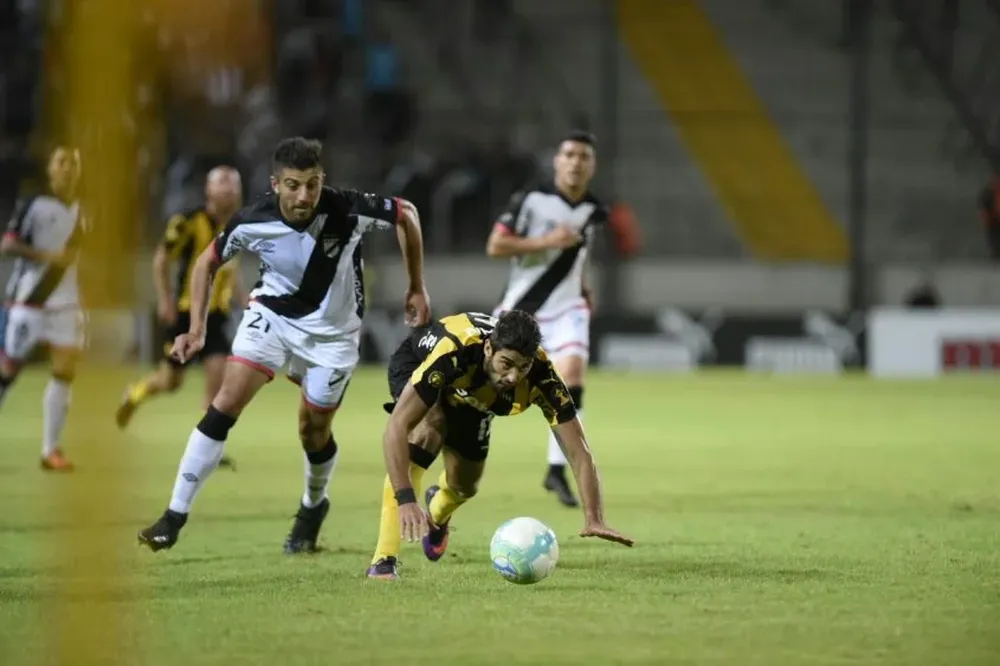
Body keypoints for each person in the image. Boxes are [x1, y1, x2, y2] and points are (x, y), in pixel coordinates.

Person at [137, 137, 430, 554]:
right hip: (271, 317)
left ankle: (313, 504)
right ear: (276, 184)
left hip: (333, 336)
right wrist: (197, 329)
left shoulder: (348, 208)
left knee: (313, 432)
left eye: (312, 184)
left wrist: (416, 286)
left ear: (322, 180)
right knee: (225, 403)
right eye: (293, 185)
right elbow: (206, 262)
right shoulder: (252, 219)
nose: (304, 196)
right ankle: (174, 515)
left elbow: (407, 214)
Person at [367, 309, 632, 581]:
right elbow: (396, 428)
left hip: (473, 396)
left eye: (523, 367)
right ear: (488, 349)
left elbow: (578, 452)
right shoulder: (454, 352)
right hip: (420, 365)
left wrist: (594, 517)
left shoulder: (544, 378)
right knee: (429, 427)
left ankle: (436, 514)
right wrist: (406, 498)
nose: (514, 376)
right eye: (507, 363)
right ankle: (384, 561)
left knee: (465, 485)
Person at [485, 130, 607, 508]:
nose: (575, 162)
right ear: (557, 161)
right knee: (490, 388)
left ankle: (556, 469)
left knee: (571, 376)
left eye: (584, 156)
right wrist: (547, 241)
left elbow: (579, 256)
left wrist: (584, 287)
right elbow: (496, 245)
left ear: (593, 165)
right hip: (523, 308)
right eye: (569, 154)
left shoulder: (595, 210)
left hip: (568, 307)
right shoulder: (530, 200)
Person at [116, 166, 245, 472]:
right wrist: (165, 300)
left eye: (233, 184)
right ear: (208, 190)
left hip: (217, 315)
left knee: (219, 376)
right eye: (222, 183)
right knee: (170, 381)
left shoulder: (240, 225)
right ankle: (134, 394)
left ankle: (207, 447)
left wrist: (244, 298)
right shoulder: (187, 222)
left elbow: (231, 269)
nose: (228, 189)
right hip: (188, 313)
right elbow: (162, 259)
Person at [0, 146, 85, 471]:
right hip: (29, 301)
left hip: (66, 305)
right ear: (50, 168)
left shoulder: (84, 209)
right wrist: (46, 257)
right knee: (8, 371)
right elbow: (8, 244)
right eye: (61, 162)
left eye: (73, 163)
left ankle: (51, 451)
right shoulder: (33, 202)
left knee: (65, 373)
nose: (67, 168)